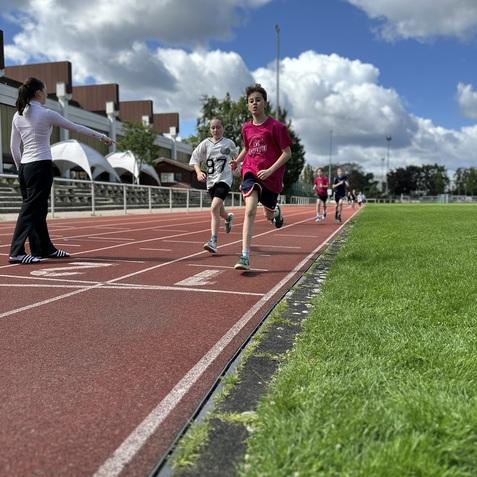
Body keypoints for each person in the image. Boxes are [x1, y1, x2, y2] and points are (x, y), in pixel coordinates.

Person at [9, 77, 113, 264]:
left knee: (38, 209)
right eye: (46, 90)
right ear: (39, 92)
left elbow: (14, 147)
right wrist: (101, 136)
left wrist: (20, 169)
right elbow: (76, 128)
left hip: (25, 167)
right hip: (40, 165)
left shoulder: (18, 115)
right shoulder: (46, 113)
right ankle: (16, 251)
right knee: (31, 210)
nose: (47, 93)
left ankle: (43, 249)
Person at [231, 84, 292, 271]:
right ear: (247, 105)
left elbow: (287, 153)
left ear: (265, 103)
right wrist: (237, 161)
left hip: (271, 177)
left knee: (268, 215)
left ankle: (276, 213)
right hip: (250, 172)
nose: (254, 103)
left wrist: (271, 171)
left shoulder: (276, 127)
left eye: (258, 100)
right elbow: (248, 148)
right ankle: (244, 256)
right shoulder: (246, 128)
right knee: (250, 210)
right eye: (251, 101)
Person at [189, 118, 236, 253]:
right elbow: (195, 159)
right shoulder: (205, 144)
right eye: (213, 128)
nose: (216, 130)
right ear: (210, 129)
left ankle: (213, 241)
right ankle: (228, 217)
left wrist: (237, 168)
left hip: (224, 180)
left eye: (218, 127)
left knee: (214, 207)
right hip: (211, 182)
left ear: (223, 128)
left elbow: (236, 160)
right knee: (219, 211)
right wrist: (198, 172)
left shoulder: (229, 143)